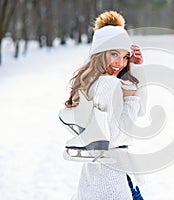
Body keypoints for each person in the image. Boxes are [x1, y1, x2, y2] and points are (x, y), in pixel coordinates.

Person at [62, 11, 144, 200]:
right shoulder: (109, 84)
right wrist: (131, 97)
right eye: (114, 53)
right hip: (111, 183)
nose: (120, 63)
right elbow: (115, 138)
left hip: (94, 178)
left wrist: (136, 69)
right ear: (100, 53)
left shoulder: (89, 82)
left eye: (125, 57)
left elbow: (139, 110)